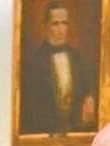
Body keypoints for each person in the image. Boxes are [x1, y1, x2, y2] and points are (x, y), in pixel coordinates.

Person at [20, 1, 97, 135]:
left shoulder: (77, 58)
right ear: (45, 26)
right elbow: (30, 109)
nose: (61, 29)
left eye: (64, 23)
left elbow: (88, 87)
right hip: (46, 132)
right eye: (55, 24)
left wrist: (90, 97)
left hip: (76, 131)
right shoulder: (34, 63)